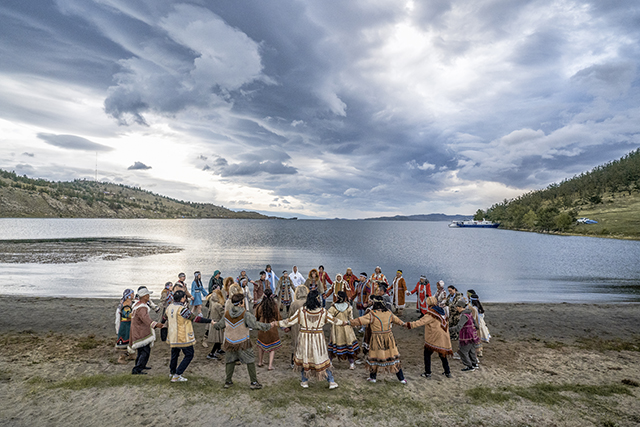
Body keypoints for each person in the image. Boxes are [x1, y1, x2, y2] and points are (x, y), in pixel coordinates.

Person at [276, 290, 345, 389]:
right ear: (317, 299)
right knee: (322, 358)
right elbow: (334, 320)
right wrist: (345, 323)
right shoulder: (322, 312)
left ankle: (305, 382)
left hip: (305, 338)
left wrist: (277, 323)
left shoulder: (302, 311)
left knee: (305, 358)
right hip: (318, 339)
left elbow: (289, 321)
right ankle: (331, 381)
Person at [211, 293, 274, 390]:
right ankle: (253, 382)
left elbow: (219, 325)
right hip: (243, 342)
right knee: (250, 361)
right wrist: (268, 326)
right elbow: (255, 325)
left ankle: (228, 382)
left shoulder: (227, 313)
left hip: (230, 342)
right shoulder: (246, 314)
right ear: (241, 302)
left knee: (230, 361)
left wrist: (214, 324)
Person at [348, 295, 407, 384]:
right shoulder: (389, 313)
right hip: (389, 338)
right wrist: (405, 324)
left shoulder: (372, 314)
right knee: (393, 357)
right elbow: (398, 321)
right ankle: (401, 378)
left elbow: (360, 320)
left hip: (376, 339)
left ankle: (373, 377)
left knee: (374, 357)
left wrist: (348, 322)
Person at [166, 290, 212, 382]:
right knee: (189, 354)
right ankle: (177, 374)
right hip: (182, 336)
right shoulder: (182, 310)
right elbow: (195, 318)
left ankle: (172, 372)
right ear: (182, 299)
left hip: (172, 335)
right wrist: (210, 321)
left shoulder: (169, 307)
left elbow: (164, 317)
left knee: (174, 354)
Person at [406, 296, 453, 378]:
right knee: (442, 355)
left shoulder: (431, 314)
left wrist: (409, 325)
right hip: (444, 336)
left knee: (427, 354)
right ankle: (447, 372)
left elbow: (421, 322)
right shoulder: (442, 312)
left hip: (434, 336)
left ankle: (428, 372)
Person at [130, 286, 164, 375]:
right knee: (145, 350)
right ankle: (137, 369)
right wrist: (155, 324)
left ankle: (141, 365)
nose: (149, 296)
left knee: (141, 350)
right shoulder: (142, 308)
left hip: (137, 330)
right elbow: (145, 318)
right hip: (141, 331)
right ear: (144, 296)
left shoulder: (137, 305)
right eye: (147, 295)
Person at [327, 291, 359, 369]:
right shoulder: (349, 307)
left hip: (336, 329)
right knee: (349, 345)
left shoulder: (333, 307)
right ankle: (351, 364)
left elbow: (328, 317)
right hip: (347, 328)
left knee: (332, 346)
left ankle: (330, 362)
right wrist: (355, 325)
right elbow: (351, 319)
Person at [449, 299, 481, 371]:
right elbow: (475, 324)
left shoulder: (463, 315)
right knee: (471, 350)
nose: (456, 308)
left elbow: (458, 327)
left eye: (457, 307)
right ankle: (474, 363)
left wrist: (449, 329)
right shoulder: (469, 313)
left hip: (466, 335)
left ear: (460, 307)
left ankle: (469, 366)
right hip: (473, 335)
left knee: (463, 351)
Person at [255, 288, 283, 370]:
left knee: (261, 345)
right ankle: (270, 365)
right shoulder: (274, 306)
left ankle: (260, 362)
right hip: (272, 328)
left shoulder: (260, 306)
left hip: (262, 327)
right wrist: (282, 325)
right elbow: (278, 317)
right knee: (272, 347)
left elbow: (256, 316)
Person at [287, 285, 309, 369]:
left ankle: (294, 362)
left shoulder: (294, 304)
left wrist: (288, 326)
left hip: (296, 325)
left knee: (295, 343)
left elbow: (290, 316)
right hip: (307, 325)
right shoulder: (309, 302)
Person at [467, 289, 490, 356]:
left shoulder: (473, 308)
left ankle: (475, 352)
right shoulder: (479, 307)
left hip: (476, 324)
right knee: (478, 338)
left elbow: (473, 317)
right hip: (481, 324)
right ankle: (480, 352)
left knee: (475, 338)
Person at [115, 289, 135, 364]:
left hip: (129, 324)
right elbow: (127, 314)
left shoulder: (130, 303)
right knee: (124, 340)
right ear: (128, 296)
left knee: (130, 339)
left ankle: (131, 354)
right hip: (125, 325)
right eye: (132, 294)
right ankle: (121, 358)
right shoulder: (125, 305)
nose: (133, 295)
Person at [205, 290, 226, 360]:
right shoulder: (218, 305)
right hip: (217, 323)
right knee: (218, 340)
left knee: (219, 338)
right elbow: (222, 314)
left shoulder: (213, 302)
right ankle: (211, 353)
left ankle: (219, 349)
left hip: (214, 321)